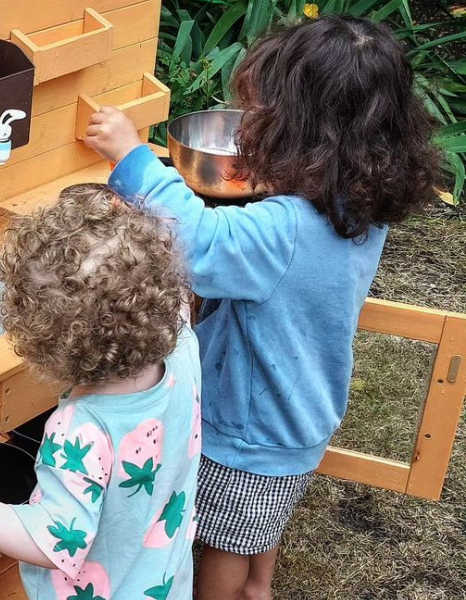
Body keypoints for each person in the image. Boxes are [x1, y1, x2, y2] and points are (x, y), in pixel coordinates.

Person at [82, 14, 442, 600]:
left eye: (262, 112)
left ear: (299, 130)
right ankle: (260, 589)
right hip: (299, 413)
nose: (251, 121)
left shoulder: (284, 229)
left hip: (250, 427)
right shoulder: (360, 204)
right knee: (260, 518)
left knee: (223, 540)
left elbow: (197, 244)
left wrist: (134, 159)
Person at [0, 184, 202, 599]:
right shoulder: (183, 349)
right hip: (162, 581)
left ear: (45, 343)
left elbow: (52, 540)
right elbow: (163, 299)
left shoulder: (80, 429)